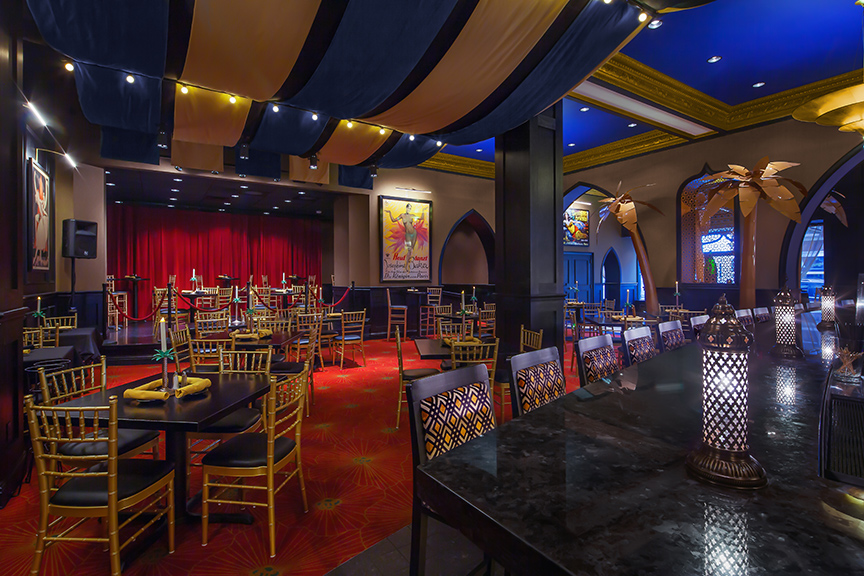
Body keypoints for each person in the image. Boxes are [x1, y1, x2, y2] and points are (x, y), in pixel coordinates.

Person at [385, 203, 423, 272]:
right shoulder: (402, 215)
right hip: (407, 235)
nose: (409, 209)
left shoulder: (412, 216)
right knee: (409, 250)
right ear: (406, 208)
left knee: (411, 250)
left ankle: (407, 266)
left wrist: (423, 211)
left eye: (410, 208)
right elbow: (393, 220)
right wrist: (390, 213)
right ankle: (406, 266)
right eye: (408, 208)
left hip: (414, 233)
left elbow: (421, 218)